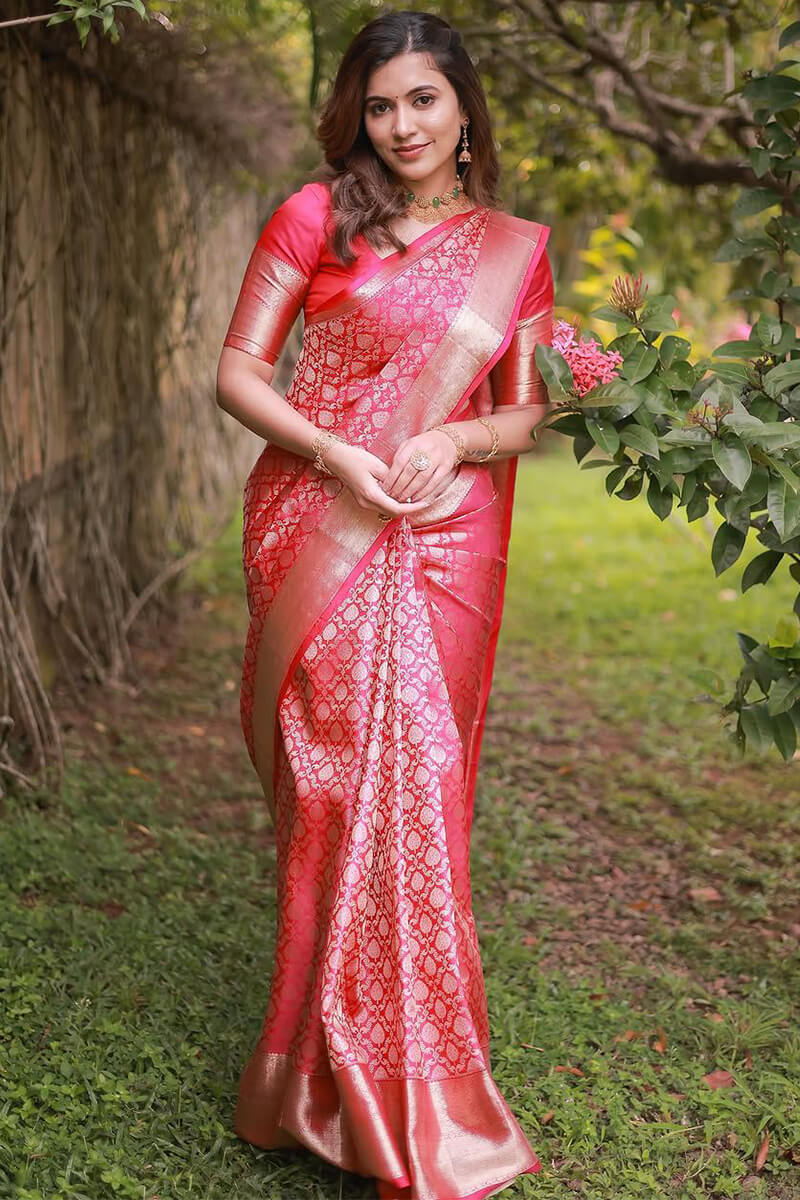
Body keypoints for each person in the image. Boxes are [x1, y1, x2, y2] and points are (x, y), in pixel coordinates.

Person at [215, 9, 553, 1198]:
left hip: (445, 536)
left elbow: (525, 412)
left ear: (462, 112)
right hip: (317, 522)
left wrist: (453, 438)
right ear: (355, 116)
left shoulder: (512, 250)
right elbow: (236, 372)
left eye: (422, 99)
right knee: (330, 794)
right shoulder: (315, 216)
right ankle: (311, 1074)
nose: (400, 124)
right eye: (378, 104)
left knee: (417, 790)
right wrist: (335, 454)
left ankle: (409, 1084)